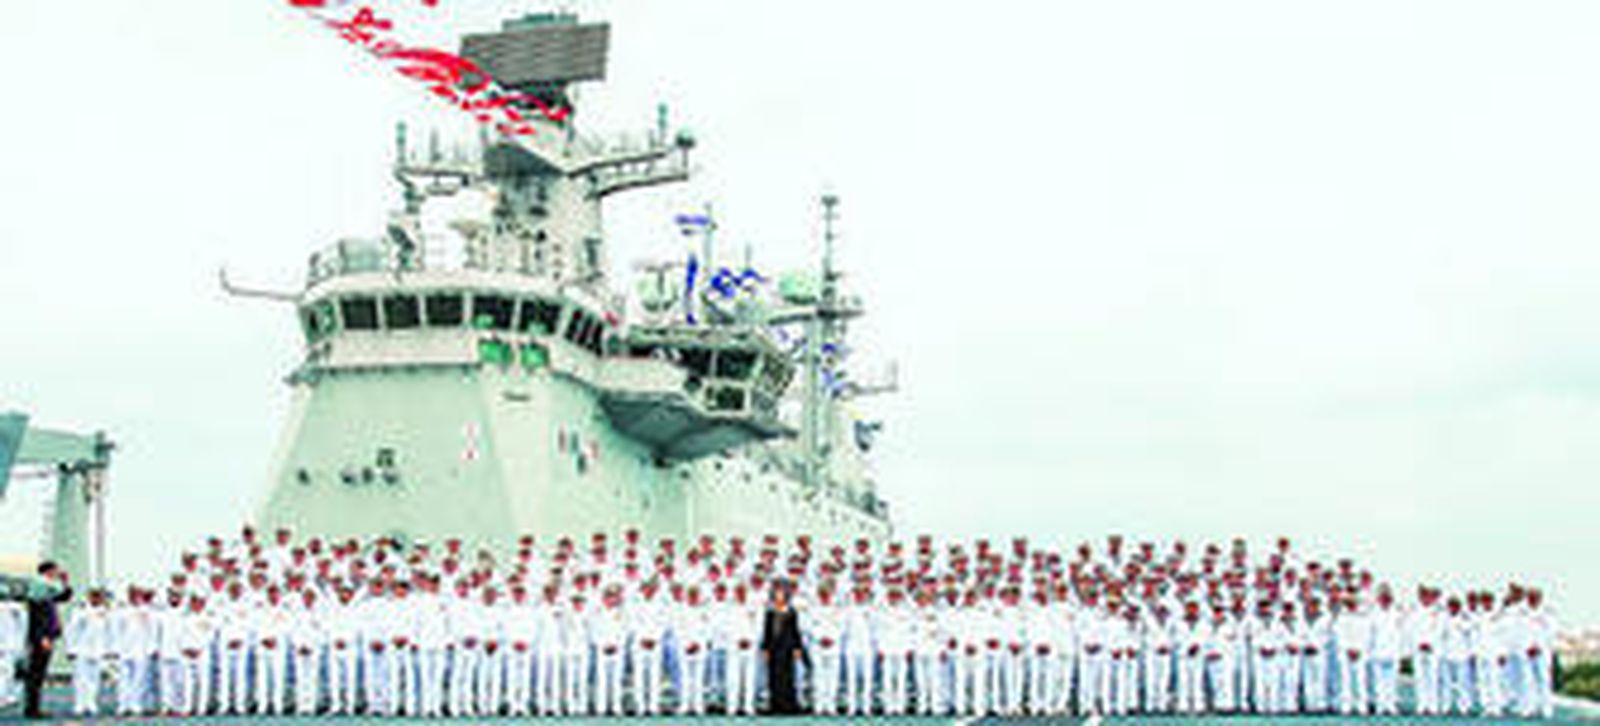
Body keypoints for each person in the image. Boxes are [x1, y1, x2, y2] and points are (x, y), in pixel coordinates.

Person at [22, 560, 73, 719]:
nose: (57, 573)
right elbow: (38, 617)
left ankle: (33, 707)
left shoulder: (45, 590)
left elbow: (64, 597)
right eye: (56, 571)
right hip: (42, 636)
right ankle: (32, 708)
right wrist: (42, 637)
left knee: (38, 673)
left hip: (45, 635)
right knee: (36, 673)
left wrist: (65, 582)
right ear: (49, 571)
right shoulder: (40, 586)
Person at [759, 579, 805, 715]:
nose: (779, 597)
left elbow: (795, 631)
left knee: (788, 677)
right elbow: (766, 632)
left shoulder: (791, 612)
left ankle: (788, 705)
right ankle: (775, 704)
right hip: (773, 649)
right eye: (777, 594)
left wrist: (798, 648)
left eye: (782, 594)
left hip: (788, 649)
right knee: (773, 676)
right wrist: (765, 648)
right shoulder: (770, 613)